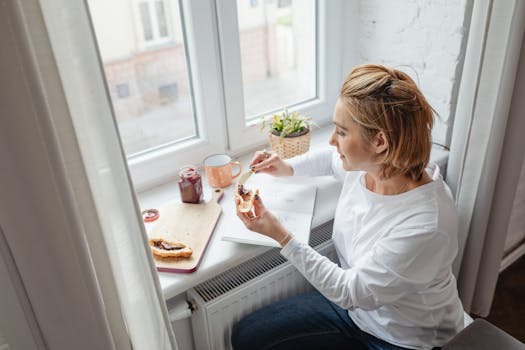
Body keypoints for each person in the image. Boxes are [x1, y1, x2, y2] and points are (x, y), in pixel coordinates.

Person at [232, 64, 464, 350]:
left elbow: (349, 291)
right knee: (247, 335)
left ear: (380, 141)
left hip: (404, 339)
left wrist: (280, 234)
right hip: (356, 314)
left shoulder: (427, 224)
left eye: (341, 132)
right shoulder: (367, 168)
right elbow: (329, 158)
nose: (332, 140)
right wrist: (286, 167)